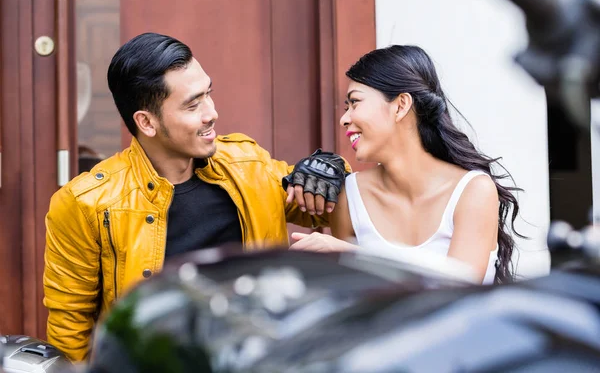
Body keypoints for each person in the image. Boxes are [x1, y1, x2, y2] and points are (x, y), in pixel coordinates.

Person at [43, 32, 348, 362]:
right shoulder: (86, 203)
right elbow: (69, 332)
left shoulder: (248, 167)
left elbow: (330, 210)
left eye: (208, 94)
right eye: (192, 104)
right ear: (146, 122)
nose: (211, 113)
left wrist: (330, 172)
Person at [290, 45, 522, 285]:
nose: (344, 118)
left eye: (355, 103)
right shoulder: (349, 196)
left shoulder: (473, 191)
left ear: (400, 106)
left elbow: (456, 292)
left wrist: (352, 255)